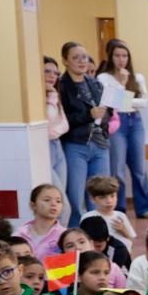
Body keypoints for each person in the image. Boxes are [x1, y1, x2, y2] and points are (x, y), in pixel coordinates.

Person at [94, 39, 148, 218]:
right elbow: (110, 103)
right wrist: (122, 83)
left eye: (125, 55)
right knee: (117, 169)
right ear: (111, 57)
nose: (121, 59)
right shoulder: (103, 78)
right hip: (116, 122)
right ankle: (118, 208)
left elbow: (144, 102)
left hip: (135, 122)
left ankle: (143, 208)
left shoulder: (138, 77)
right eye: (117, 56)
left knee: (139, 168)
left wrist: (124, 95)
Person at [55, 41, 110, 226]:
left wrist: (104, 122)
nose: (81, 61)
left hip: (100, 144)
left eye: (84, 57)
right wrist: (88, 114)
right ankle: (76, 235)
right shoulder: (62, 86)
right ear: (65, 61)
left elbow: (107, 111)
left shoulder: (95, 84)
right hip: (76, 144)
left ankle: (99, 232)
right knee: (75, 195)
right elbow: (64, 118)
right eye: (75, 57)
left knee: (101, 192)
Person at [15, 184, 66, 262]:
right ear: (33, 205)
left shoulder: (65, 235)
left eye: (58, 201)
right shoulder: (19, 234)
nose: (53, 204)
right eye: (47, 200)